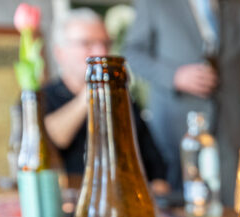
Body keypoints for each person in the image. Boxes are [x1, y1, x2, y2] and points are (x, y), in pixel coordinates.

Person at [122, 0, 240, 207]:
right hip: (176, 121)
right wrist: (174, 76)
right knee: (177, 206)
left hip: (228, 120)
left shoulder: (238, 5)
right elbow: (132, 53)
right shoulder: (155, 4)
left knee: (224, 205)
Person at [43, 9, 168, 191]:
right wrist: (91, 91)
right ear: (60, 52)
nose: (101, 52)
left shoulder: (122, 98)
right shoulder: (42, 97)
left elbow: (155, 164)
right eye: (87, 43)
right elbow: (49, 140)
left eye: (105, 43)